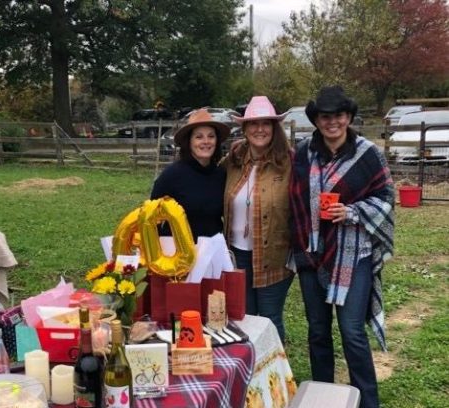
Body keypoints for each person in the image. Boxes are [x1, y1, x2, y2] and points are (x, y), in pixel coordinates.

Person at [289, 86, 394, 408]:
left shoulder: (367, 153)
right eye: (325, 116)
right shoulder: (304, 152)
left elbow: (387, 198)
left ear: (348, 117)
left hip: (353, 256)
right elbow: (293, 199)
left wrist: (352, 212)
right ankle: (322, 397)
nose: (332, 122)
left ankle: (367, 402)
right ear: (317, 120)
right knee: (318, 331)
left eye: (339, 115)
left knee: (352, 333)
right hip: (311, 253)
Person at [223, 96, 294, 343]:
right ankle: (251, 375)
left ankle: (277, 377)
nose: (260, 129)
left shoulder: (289, 162)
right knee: (245, 317)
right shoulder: (234, 160)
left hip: (273, 256)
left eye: (266, 123)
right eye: (253, 123)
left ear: (275, 127)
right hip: (238, 254)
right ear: (244, 128)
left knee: (270, 318)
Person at [150, 108, 229, 241]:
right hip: (177, 254)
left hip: (213, 251)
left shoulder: (221, 174)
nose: (206, 141)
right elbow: (151, 217)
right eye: (199, 137)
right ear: (189, 141)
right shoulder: (171, 175)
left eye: (211, 136)